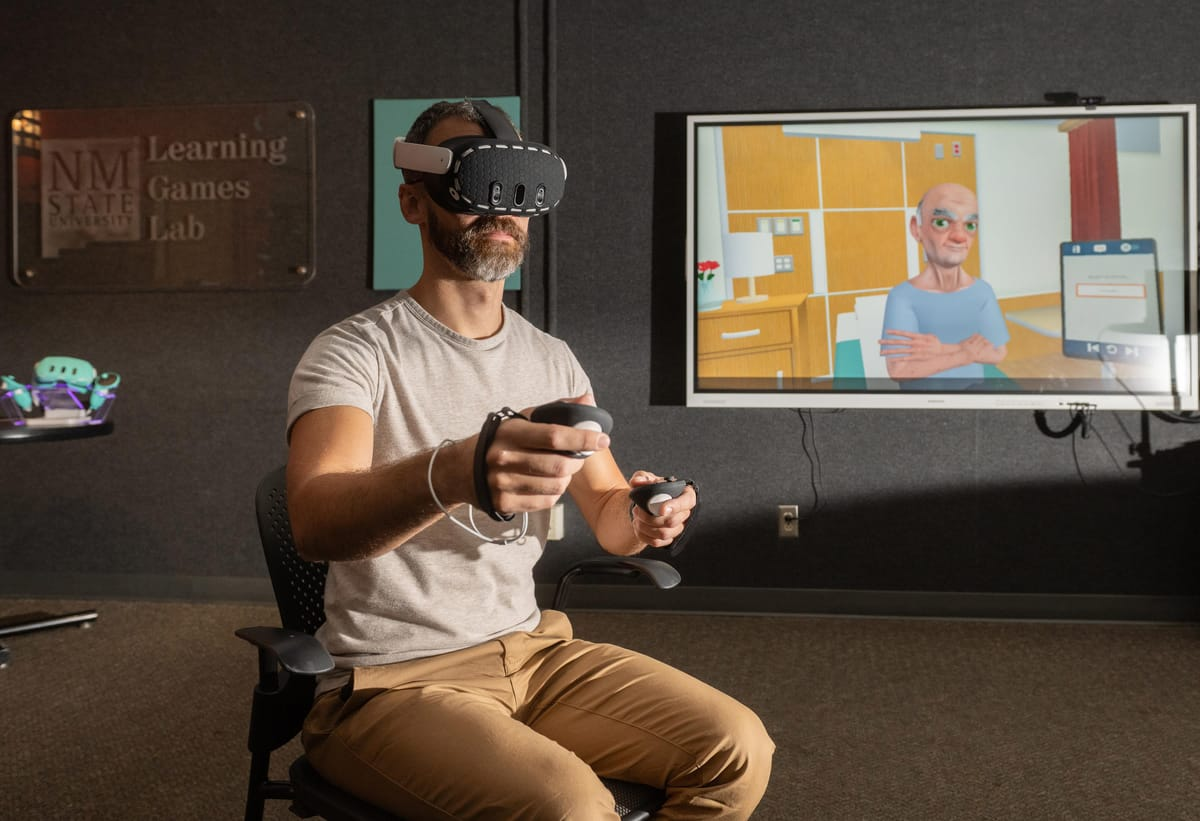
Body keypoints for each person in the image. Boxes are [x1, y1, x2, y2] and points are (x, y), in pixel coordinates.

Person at [284, 99, 774, 821]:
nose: (500, 205)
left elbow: (609, 515)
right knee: (569, 809)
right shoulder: (355, 352)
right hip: (393, 681)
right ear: (414, 202)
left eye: (516, 187)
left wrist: (648, 515)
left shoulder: (551, 359)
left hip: (532, 653)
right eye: (474, 180)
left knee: (738, 748)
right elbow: (315, 521)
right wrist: (454, 473)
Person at [879, 182, 1009, 383]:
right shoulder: (902, 297)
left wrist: (941, 349)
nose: (960, 236)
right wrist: (964, 354)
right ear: (917, 229)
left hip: (974, 397)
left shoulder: (982, 292)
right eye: (941, 223)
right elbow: (899, 370)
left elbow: (998, 353)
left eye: (970, 225)